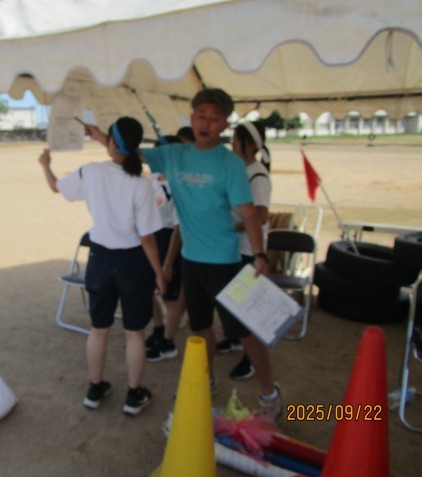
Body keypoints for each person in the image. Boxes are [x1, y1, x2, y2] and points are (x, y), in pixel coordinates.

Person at [87, 89, 283, 422]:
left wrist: (261, 254)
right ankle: (206, 382)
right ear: (192, 118)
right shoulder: (173, 154)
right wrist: (100, 136)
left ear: (224, 125)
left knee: (244, 332)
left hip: (225, 261)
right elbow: (128, 149)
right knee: (200, 327)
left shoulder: (230, 164)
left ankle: (270, 395)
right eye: (201, 115)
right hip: (191, 260)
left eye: (215, 118)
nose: (206, 123)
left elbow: (251, 213)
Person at [39, 116, 166, 416]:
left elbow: (56, 187)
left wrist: (45, 164)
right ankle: (134, 395)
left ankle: (95, 388)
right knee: (135, 333)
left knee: (99, 329)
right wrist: (159, 274)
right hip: (133, 263)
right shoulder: (142, 184)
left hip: (100, 260)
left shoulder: (91, 172)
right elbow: (147, 238)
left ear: (110, 143)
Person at [216, 121, 272, 381]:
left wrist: (231, 226)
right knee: (233, 300)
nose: (232, 143)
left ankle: (250, 359)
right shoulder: (241, 170)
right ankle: (235, 339)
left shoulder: (257, 175)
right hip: (235, 247)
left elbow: (260, 216)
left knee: (247, 306)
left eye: (236, 139)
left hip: (249, 249)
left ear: (250, 145)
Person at [145, 156, 186, 362]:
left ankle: (168, 343)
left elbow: (179, 228)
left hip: (170, 242)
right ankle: (158, 328)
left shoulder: (178, 185)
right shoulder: (150, 180)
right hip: (150, 240)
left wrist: (168, 264)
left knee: (171, 298)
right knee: (147, 289)